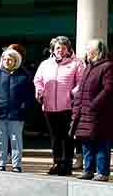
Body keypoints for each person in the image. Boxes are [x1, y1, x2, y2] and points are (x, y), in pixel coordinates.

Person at [33, 36, 84, 176]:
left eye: (63, 47)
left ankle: (67, 164)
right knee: (55, 137)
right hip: (49, 106)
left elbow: (81, 83)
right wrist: (40, 91)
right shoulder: (45, 64)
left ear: (68, 49)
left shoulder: (77, 63)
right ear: (52, 50)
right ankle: (57, 162)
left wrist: (72, 94)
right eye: (57, 48)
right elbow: (38, 80)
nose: (60, 50)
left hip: (67, 106)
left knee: (67, 136)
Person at [71, 39, 113, 182]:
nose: (86, 52)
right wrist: (76, 104)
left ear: (97, 51)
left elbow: (108, 88)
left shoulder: (107, 66)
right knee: (87, 142)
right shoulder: (89, 67)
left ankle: (102, 172)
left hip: (99, 113)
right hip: (84, 112)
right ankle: (88, 170)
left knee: (101, 143)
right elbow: (81, 88)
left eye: (88, 49)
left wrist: (94, 104)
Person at [0, 49, 34, 172]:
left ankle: (16, 165)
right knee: (0, 139)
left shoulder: (24, 76)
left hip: (16, 114)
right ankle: (1, 163)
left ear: (16, 61)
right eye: (5, 59)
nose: (7, 61)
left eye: (10, 59)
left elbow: (29, 95)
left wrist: (23, 108)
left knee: (15, 139)